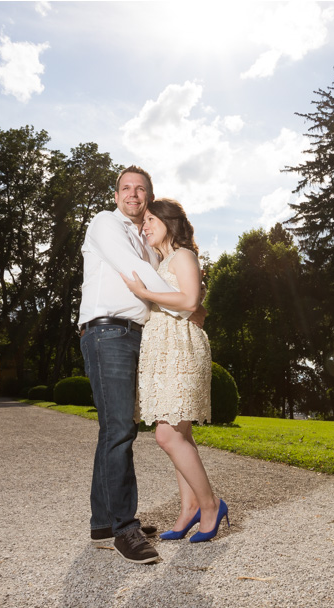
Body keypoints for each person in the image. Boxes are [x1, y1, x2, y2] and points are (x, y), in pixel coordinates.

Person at [77, 166, 201, 564]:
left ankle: (103, 522)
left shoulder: (145, 239)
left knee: (115, 426)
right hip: (107, 331)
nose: (133, 194)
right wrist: (189, 305)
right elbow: (141, 276)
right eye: (126, 188)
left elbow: (158, 275)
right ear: (116, 195)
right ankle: (124, 528)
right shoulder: (105, 224)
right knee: (119, 429)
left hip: (136, 335)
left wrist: (187, 302)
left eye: (141, 189)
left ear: (148, 197)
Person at [121, 198, 229, 543]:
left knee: (166, 435)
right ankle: (188, 510)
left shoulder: (183, 256)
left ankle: (211, 504)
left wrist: (143, 291)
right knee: (181, 435)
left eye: (151, 220)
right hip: (162, 349)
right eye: (144, 222)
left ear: (169, 222)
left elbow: (189, 302)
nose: (145, 226)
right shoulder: (163, 260)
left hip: (181, 349)